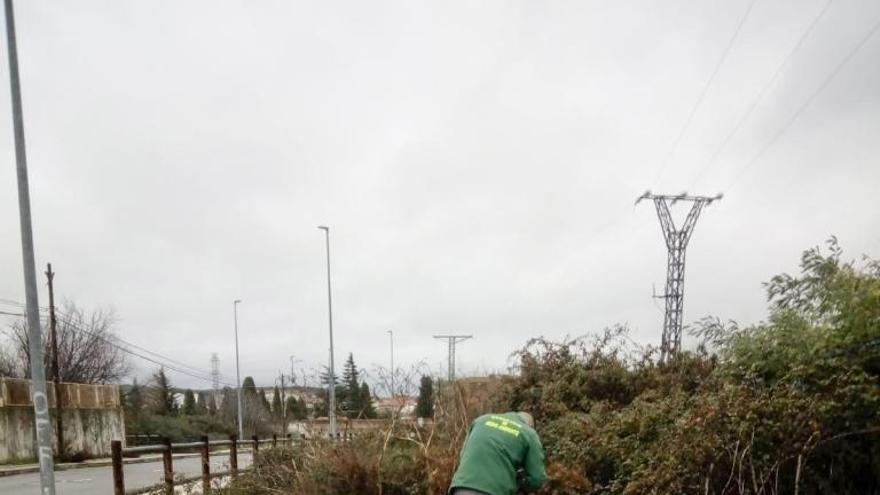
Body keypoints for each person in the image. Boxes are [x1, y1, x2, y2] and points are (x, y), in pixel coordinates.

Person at [449, 411, 546, 495]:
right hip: (495, 491)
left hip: (461, 487)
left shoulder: (481, 420)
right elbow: (536, 479)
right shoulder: (529, 433)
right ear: (530, 425)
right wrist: (520, 484)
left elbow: (462, 455)